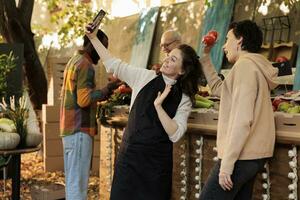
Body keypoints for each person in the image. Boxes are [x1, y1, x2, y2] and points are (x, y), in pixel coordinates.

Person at [86, 25, 203, 200]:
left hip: (155, 167)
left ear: (182, 70)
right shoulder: (145, 77)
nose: (166, 60)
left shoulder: (184, 98)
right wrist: (94, 38)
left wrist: (158, 107)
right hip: (129, 159)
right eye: (168, 57)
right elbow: (113, 65)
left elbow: (176, 134)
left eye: (173, 60)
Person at [199, 20, 278, 200]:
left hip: (241, 155)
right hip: (252, 156)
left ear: (240, 41)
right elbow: (221, 89)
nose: (224, 46)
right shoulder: (253, 66)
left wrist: (226, 165)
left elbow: (242, 120)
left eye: (227, 40)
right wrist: (205, 57)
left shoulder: (245, 67)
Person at [60, 30, 119, 200]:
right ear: (92, 44)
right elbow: (84, 100)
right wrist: (108, 89)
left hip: (70, 130)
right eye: (102, 47)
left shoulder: (74, 61)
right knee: (78, 187)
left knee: (73, 184)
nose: (103, 53)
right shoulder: (85, 65)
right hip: (79, 130)